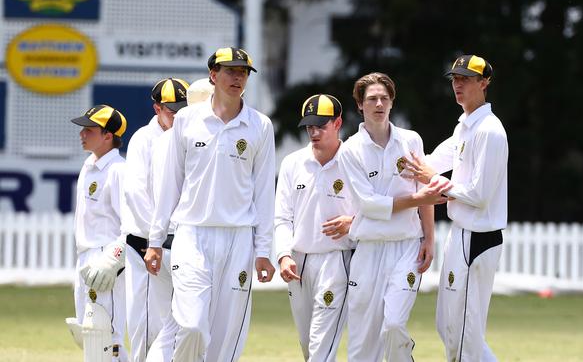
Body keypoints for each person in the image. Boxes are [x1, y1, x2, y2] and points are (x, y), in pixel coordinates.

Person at [148, 47, 276, 362]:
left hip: (238, 239)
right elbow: (170, 185)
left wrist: (263, 250)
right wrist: (154, 241)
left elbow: (264, 194)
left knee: (225, 339)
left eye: (243, 72)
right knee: (191, 325)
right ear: (213, 75)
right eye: (230, 70)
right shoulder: (188, 120)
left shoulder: (260, 125)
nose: (237, 77)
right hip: (192, 235)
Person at [403, 54, 508, 362]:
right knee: (449, 327)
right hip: (460, 233)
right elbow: (428, 163)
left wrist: (434, 181)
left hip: (478, 237)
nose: (458, 85)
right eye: (455, 79)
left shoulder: (489, 130)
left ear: (484, 83)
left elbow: (479, 195)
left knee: (461, 334)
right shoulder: (465, 126)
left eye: (466, 79)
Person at [339, 72, 445, 362]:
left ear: (392, 102)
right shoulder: (349, 150)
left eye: (384, 98)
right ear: (360, 105)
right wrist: (418, 199)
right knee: (363, 342)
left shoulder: (410, 140)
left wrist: (429, 239)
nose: (378, 104)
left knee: (395, 324)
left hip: (407, 245)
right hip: (369, 249)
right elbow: (369, 205)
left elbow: (424, 189)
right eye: (371, 99)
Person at [275, 94, 356, 361]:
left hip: (336, 259)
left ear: (338, 123)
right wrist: (284, 255)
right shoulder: (292, 163)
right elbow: (282, 218)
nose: (314, 132)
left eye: (321, 125)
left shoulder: (355, 161)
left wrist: (353, 223)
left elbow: (375, 209)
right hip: (298, 262)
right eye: (310, 126)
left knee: (322, 347)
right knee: (308, 345)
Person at [145, 77, 214, 362]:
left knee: (175, 325)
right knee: (192, 324)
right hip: (186, 240)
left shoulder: (167, 139)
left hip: (170, 240)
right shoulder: (188, 137)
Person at [121, 77, 189, 361]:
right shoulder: (143, 139)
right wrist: (157, 237)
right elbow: (136, 193)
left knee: (181, 322)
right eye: (171, 110)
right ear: (156, 108)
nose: (177, 114)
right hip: (145, 244)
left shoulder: (187, 136)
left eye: (182, 108)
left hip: (181, 242)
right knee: (147, 324)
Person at [69, 104, 129, 361]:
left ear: (108, 135)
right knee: (89, 334)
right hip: (85, 256)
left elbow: (130, 224)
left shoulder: (118, 170)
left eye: (89, 130)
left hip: (107, 259)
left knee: (107, 335)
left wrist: (113, 260)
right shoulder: (89, 166)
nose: (82, 134)